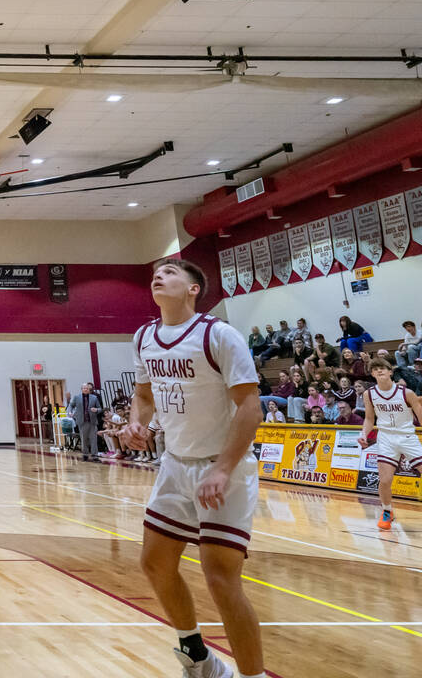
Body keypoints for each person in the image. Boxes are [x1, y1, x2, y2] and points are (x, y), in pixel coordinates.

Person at [121, 258, 265, 678]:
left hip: (224, 467)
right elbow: (144, 395)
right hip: (174, 464)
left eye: (171, 272)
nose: (159, 276)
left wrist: (222, 469)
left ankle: (252, 676)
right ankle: (197, 656)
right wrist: (137, 423)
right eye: (155, 273)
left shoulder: (218, 335)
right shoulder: (145, 336)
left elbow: (250, 408)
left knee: (221, 578)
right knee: (154, 562)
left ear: (193, 289)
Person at [359, 359, 422, 531]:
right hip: (386, 437)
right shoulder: (369, 394)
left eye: (382, 368)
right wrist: (364, 433)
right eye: (375, 369)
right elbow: (370, 419)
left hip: (407, 436)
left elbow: (420, 416)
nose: (379, 371)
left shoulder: (406, 393)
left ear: (390, 372)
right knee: (385, 480)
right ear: (372, 374)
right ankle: (387, 511)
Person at [68, 383, 102, 462]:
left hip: (92, 421)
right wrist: (70, 412)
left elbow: (100, 408)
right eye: (84, 388)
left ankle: (95, 456)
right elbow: (71, 406)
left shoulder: (94, 398)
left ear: (89, 389)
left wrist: (96, 410)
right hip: (82, 421)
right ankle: (85, 455)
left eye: (87, 388)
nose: (86, 389)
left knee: (93, 440)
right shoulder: (77, 397)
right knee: (84, 439)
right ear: (81, 389)